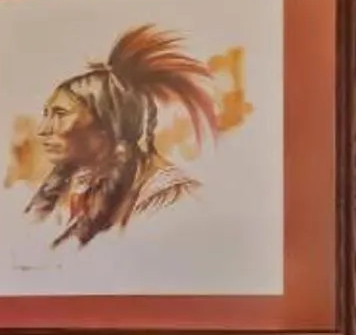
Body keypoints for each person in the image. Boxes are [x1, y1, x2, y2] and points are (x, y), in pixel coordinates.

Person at [22, 23, 220, 248]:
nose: (43, 129)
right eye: (46, 114)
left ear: (107, 124)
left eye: (60, 114)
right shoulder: (67, 188)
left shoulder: (170, 199)